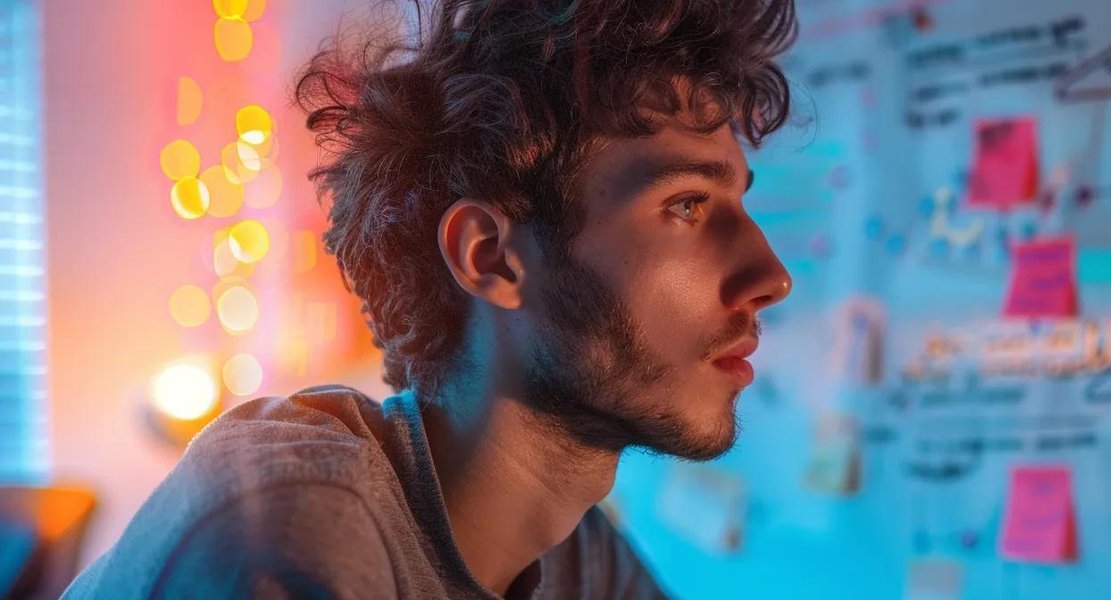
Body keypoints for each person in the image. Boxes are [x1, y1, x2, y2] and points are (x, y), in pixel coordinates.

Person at [65, 0, 796, 597]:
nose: (771, 275)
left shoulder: (576, 556)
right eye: (687, 206)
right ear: (489, 257)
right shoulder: (295, 533)